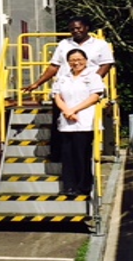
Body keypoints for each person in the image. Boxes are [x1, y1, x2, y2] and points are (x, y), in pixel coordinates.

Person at [21, 16, 114, 160]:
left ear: (87, 27)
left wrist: (92, 80)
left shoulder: (100, 45)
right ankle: (58, 155)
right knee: (60, 121)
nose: (75, 31)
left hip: (86, 92)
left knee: (84, 127)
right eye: (72, 29)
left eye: (78, 28)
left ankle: (83, 159)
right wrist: (37, 83)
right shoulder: (64, 44)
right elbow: (54, 66)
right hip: (66, 89)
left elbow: (106, 64)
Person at [52, 48, 105, 195]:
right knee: (67, 155)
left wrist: (74, 110)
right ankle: (69, 186)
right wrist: (67, 111)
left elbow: (94, 97)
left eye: (79, 59)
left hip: (85, 122)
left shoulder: (93, 77)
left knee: (82, 155)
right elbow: (57, 97)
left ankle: (84, 186)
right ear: (68, 62)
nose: (76, 63)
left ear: (86, 60)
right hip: (67, 121)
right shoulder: (63, 77)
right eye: (72, 60)